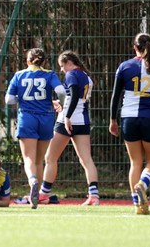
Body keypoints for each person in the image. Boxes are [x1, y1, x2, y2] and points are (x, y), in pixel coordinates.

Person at [109, 33, 150, 215]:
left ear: (134, 47)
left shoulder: (125, 66)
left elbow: (115, 97)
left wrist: (112, 120)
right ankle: (142, 184)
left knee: (135, 162)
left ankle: (137, 205)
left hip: (129, 119)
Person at [5, 48, 66, 209]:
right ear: (44, 62)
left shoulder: (19, 75)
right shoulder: (49, 74)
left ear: (27, 61)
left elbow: (9, 100)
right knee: (40, 160)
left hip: (27, 117)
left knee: (29, 159)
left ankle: (32, 181)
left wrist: (24, 99)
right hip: (45, 118)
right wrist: (60, 103)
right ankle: (37, 194)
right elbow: (60, 91)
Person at [40, 50, 100, 206]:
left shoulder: (71, 75)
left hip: (67, 122)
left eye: (62, 66)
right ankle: (94, 196)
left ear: (68, 62)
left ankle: (44, 194)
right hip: (83, 121)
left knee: (50, 158)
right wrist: (62, 104)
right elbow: (78, 99)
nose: (62, 70)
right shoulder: (87, 77)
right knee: (86, 159)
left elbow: (73, 95)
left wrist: (66, 116)